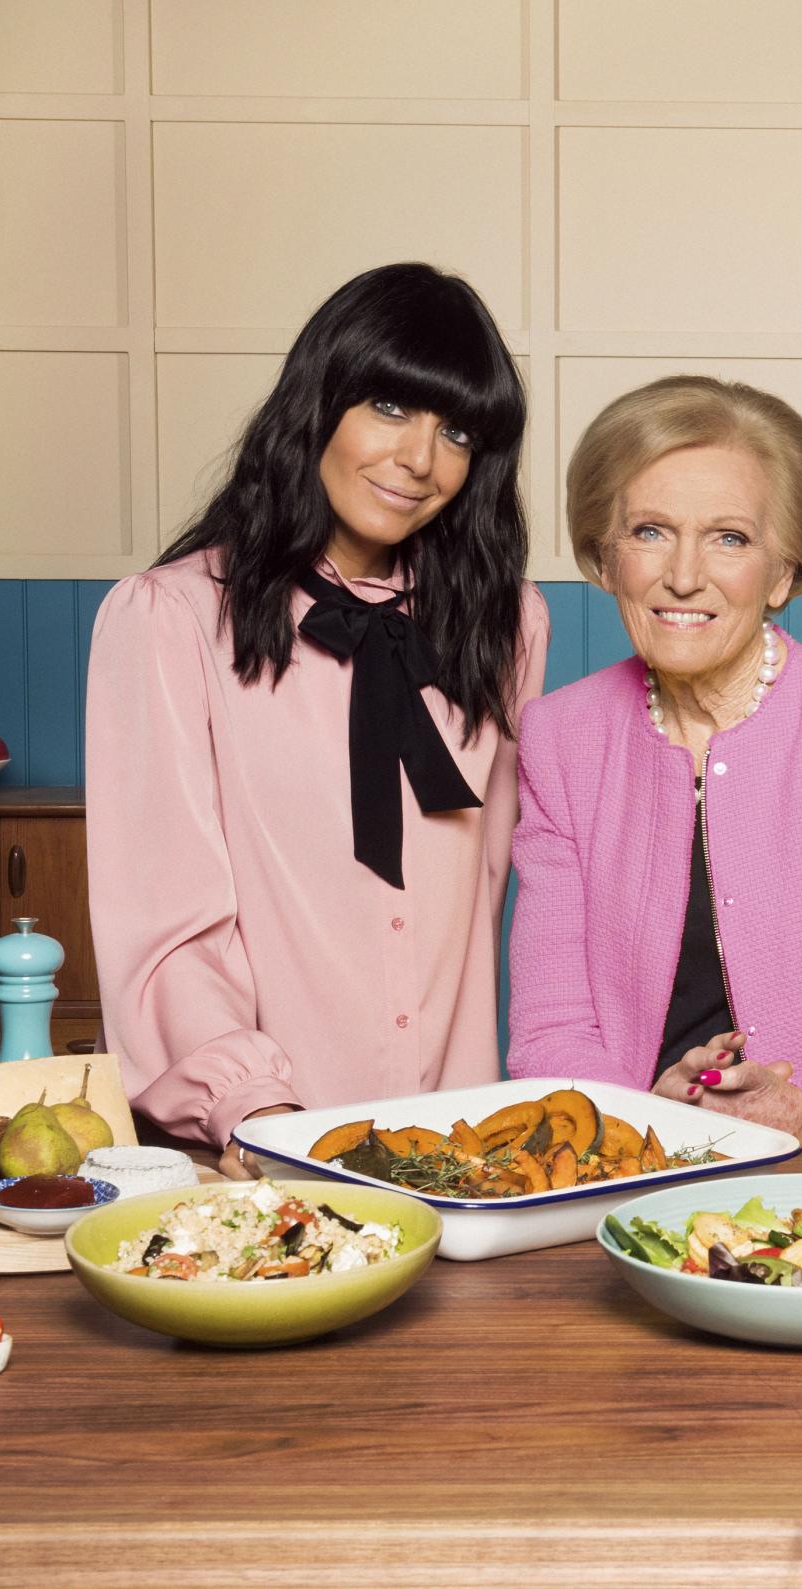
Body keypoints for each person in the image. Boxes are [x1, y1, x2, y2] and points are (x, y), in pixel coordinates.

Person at [87, 263, 548, 1175]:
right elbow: (167, 919)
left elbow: (502, 883)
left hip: (458, 1156)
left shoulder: (506, 624)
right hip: (256, 1152)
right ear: (318, 402)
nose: (420, 458)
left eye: (455, 429)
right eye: (387, 406)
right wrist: (258, 1108)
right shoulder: (171, 620)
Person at [507, 376, 802, 1151]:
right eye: (651, 531)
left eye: (729, 538)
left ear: (785, 573)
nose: (684, 574)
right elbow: (549, 1031)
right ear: (603, 556)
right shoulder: (561, 739)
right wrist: (639, 1123)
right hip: (637, 1182)